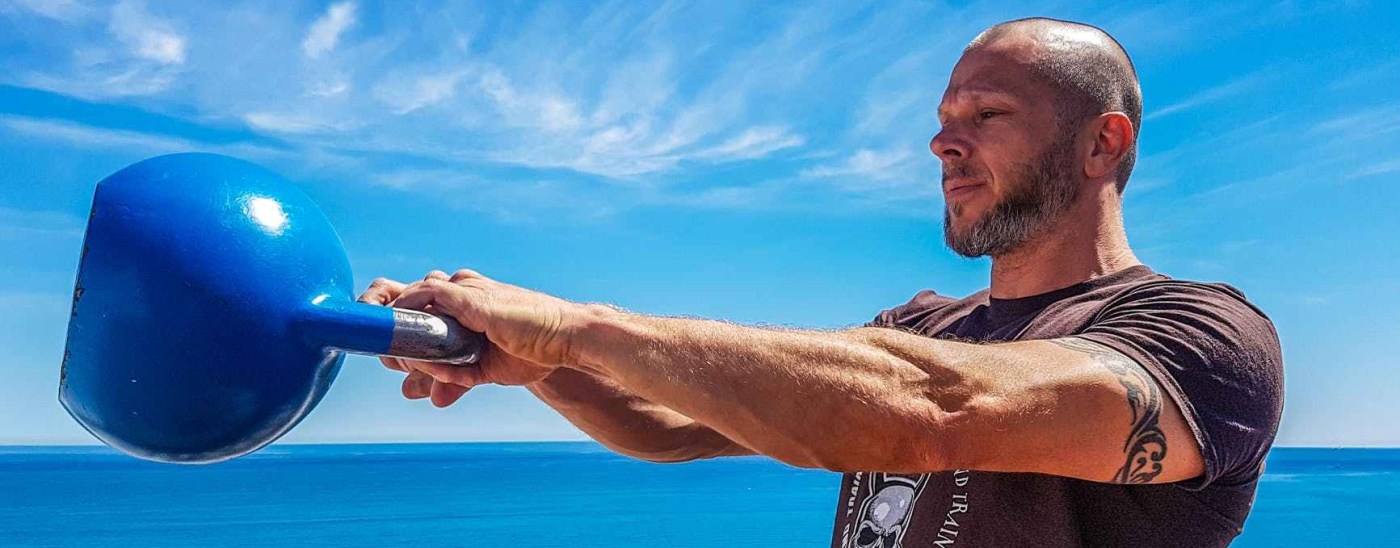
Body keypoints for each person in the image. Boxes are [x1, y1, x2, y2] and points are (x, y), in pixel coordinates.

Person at [358, 17, 1284, 547]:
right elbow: (674, 424)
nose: (943, 143)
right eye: (943, 119)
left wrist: (573, 329)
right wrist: (540, 364)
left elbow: (933, 410)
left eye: (987, 115)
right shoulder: (921, 327)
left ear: (1102, 143)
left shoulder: (1200, 338)